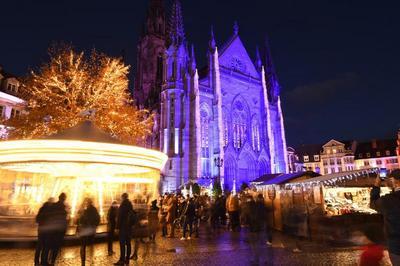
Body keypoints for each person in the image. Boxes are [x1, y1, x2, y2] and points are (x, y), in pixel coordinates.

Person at [370, 169, 400, 266]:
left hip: (396, 247)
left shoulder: (388, 200)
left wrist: (376, 185)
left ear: (394, 181)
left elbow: (373, 203)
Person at [77, 198, 100, 266]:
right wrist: (95, 226)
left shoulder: (84, 210)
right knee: (89, 245)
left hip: (84, 230)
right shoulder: (94, 209)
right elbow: (98, 218)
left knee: (83, 246)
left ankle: (83, 262)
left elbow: (79, 220)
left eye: (86, 203)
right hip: (90, 230)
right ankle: (89, 260)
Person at [114, 193, 134, 265]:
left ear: (122, 197)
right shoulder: (130, 204)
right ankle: (127, 259)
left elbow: (120, 217)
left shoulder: (123, 205)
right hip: (129, 227)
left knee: (122, 244)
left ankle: (122, 260)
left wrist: (117, 227)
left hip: (123, 227)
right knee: (128, 243)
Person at [247, 194, 267, 265]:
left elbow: (250, 218)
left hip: (254, 228)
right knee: (261, 243)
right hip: (261, 227)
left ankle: (256, 259)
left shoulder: (251, 207)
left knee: (255, 244)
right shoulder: (262, 205)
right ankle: (264, 259)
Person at [49, 193, 68, 265]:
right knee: (56, 246)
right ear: (64, 199)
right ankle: (52, 261)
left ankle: (49, 259)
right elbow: (63, 219)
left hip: (53, 228)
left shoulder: (54, 205)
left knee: (52, 245)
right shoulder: (63, 207)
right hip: (59, 229)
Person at [34, 197, 55, 266]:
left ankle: (38, 261)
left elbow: (37, 219)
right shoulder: (49, 210)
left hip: (42, 229)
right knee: (45, 246)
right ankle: (42, 261)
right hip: (46, 229)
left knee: (41, 246)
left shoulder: (42, 208)